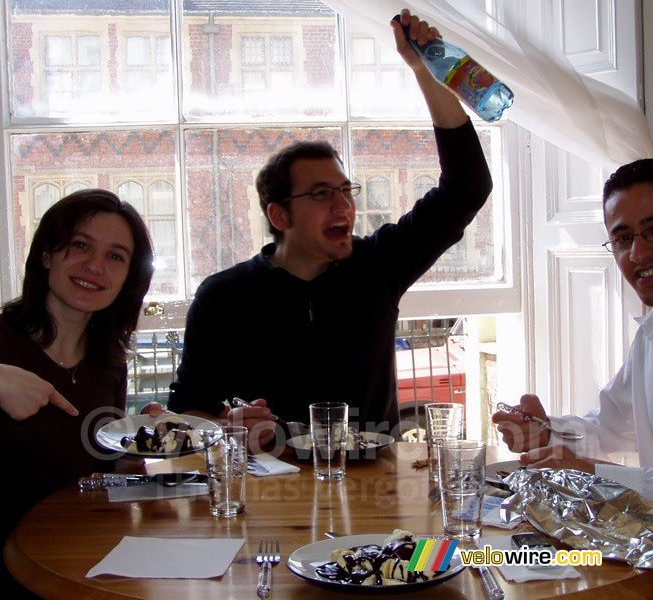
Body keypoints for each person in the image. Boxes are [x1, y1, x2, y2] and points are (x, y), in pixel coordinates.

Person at [165, 10, 493, 448]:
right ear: (279, 216)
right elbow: (189, 409)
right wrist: (228, 426)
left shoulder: (378, 265)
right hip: (274, 495)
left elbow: (467, 189)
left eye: (346, 190)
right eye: (321, 194)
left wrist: (426, 70)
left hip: (376, 493)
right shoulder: (223, 298)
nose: (344, 206)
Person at [492, 158, 653, 597]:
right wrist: (546, 433)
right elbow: (609, 427)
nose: (638, 254)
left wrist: (604, 476)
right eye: (622, 238)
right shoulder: (652, 336)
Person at [0, 189, 153, 595]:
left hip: (73, 550)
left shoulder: (107, 361)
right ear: (47, 254)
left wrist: (142, 444)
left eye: (115, 256)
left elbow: (101, 471)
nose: (95, 266)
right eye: (80, 245)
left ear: (127, 279)